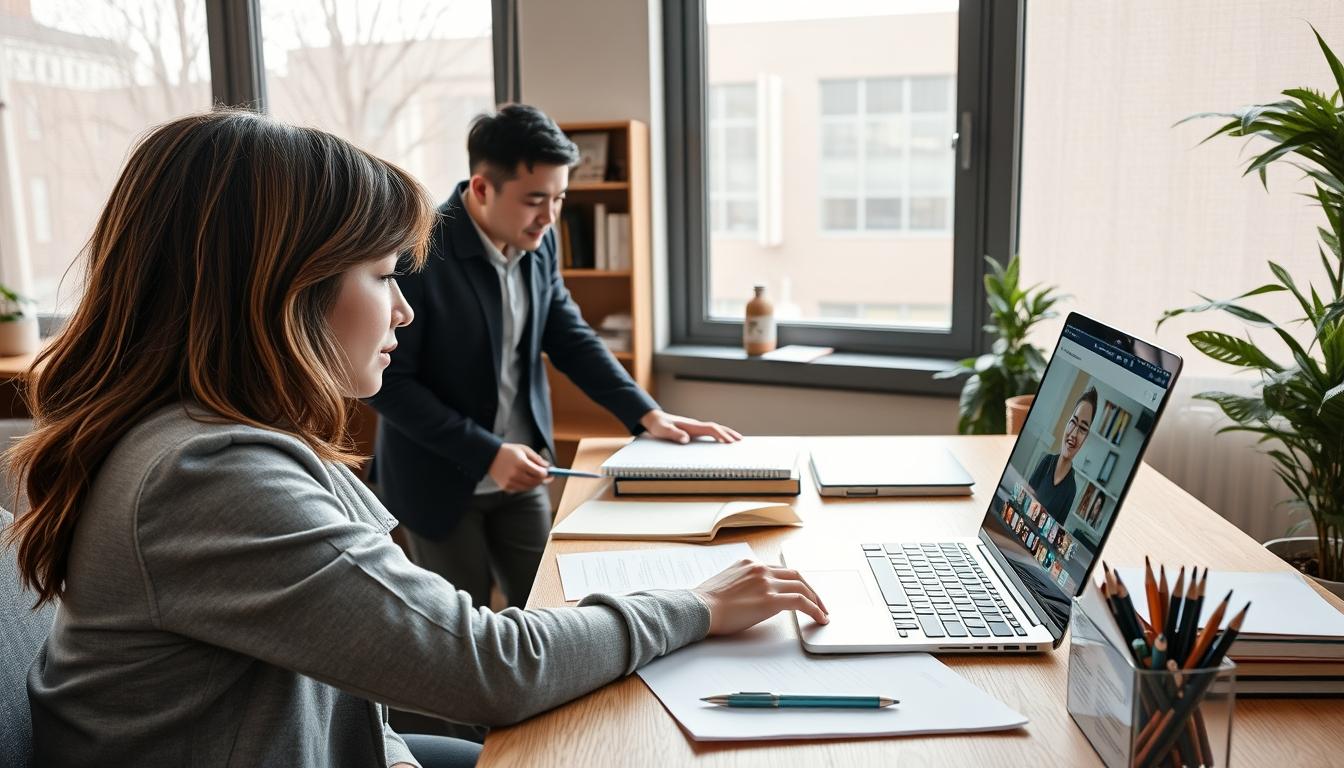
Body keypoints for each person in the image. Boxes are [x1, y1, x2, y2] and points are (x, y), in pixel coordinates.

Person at [2, 110, 827, 768]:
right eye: (383, 275)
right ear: (280, 290)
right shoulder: (208, 474)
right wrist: (699, 605)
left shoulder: (212, 439)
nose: (402, 308)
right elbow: (483, 667)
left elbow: (355, 667)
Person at [366, 104, 739, 609]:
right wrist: (486, 453)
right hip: (438, 480)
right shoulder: (419, 251)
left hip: (527, 469)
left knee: (550, 608)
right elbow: (392, 385)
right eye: (535, 199)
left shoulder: (538, 239)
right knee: (464, 630)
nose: (550, 216)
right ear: (481, 188)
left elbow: (568, 335)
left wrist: (645, 414)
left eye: (560, 198)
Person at [1028, 387, 1097, 524]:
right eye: (1073, 422)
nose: (1074, 434)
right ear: (1067, 423)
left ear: (1086, 439)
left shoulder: (1071, 489)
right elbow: (1024, 499)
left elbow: (1055, 532)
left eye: (1083, 429)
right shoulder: (1046, 462)